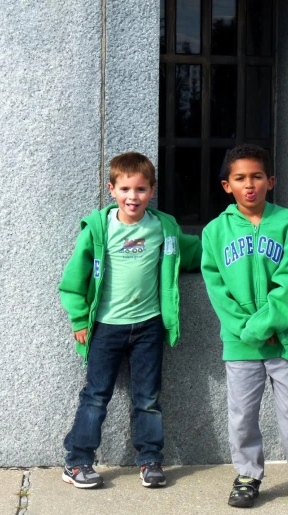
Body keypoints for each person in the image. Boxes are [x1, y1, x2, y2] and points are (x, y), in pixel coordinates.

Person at [201, 144, 288, 509]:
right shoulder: (215, 232)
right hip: (241, 342)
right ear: (226, 186)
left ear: (271, 181)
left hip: (283, 338)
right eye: (240, 178)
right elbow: (217, 289)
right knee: (242, 413)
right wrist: (247, 329)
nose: (249, 185)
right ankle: (248, 474)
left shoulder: (285, 223)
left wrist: (267, 323)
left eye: (256, 177)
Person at [58, 152, 202, 489]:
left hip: (149, 326)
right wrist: (80, 319)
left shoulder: (163, 227)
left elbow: (191, 252)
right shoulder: (99, 228)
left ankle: (150, 460)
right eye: (125, 189)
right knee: (95, 395)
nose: (132, 196)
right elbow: (73, 280)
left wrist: (224, 253)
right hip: (106, 328)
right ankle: (77, 461)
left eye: (140, 189)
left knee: (148, 397)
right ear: (112, 189)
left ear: (152, 191)